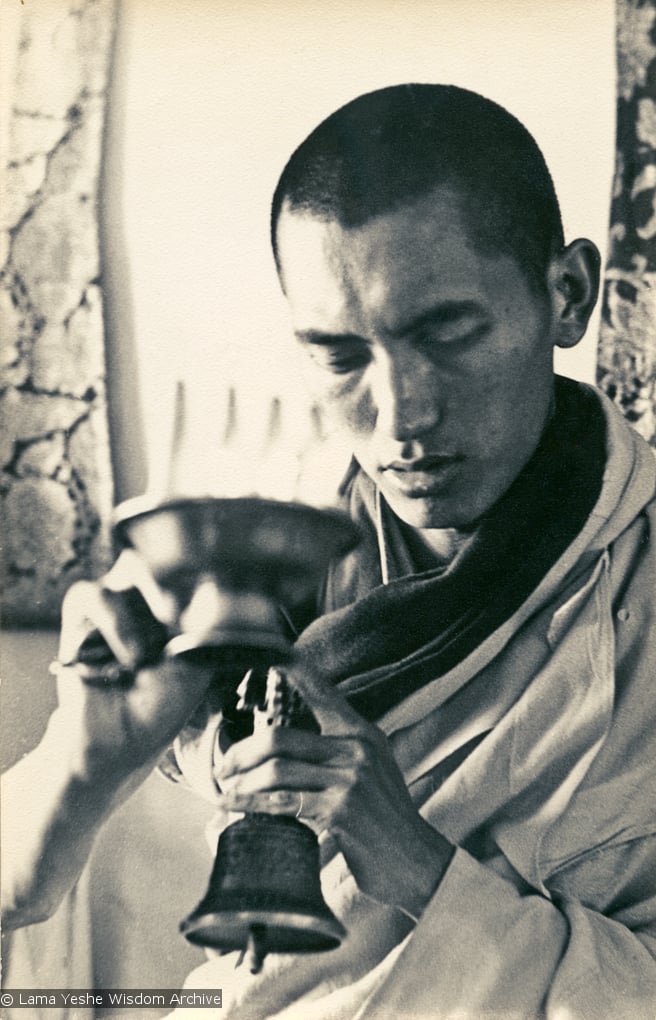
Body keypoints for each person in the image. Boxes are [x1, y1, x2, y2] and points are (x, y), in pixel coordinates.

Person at [2, 84, 655, 1019]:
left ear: (569, 295)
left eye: (447, 331)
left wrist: (419, 866)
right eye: (341, 356)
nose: (399, 418)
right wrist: (85, 763)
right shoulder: (235, 563)